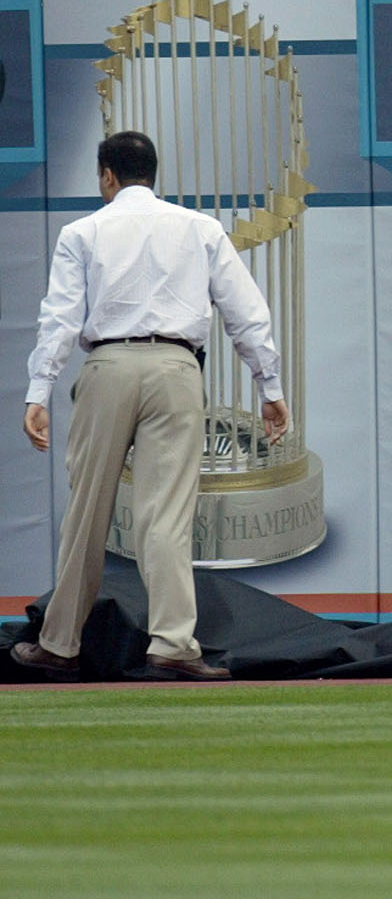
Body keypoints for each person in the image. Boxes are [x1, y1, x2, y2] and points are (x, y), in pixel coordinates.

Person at [15, 130, 289, 683]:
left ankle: (60, 642)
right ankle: (172, 643)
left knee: (87, 510)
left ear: (107, 177)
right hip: (176, 368)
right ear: (152, 174)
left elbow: (61, 318)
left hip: (109, 366)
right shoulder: (201, 229)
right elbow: (246, 312)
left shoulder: (83, 231)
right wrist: (270, 386)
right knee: (165, 515)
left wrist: (38, 391)